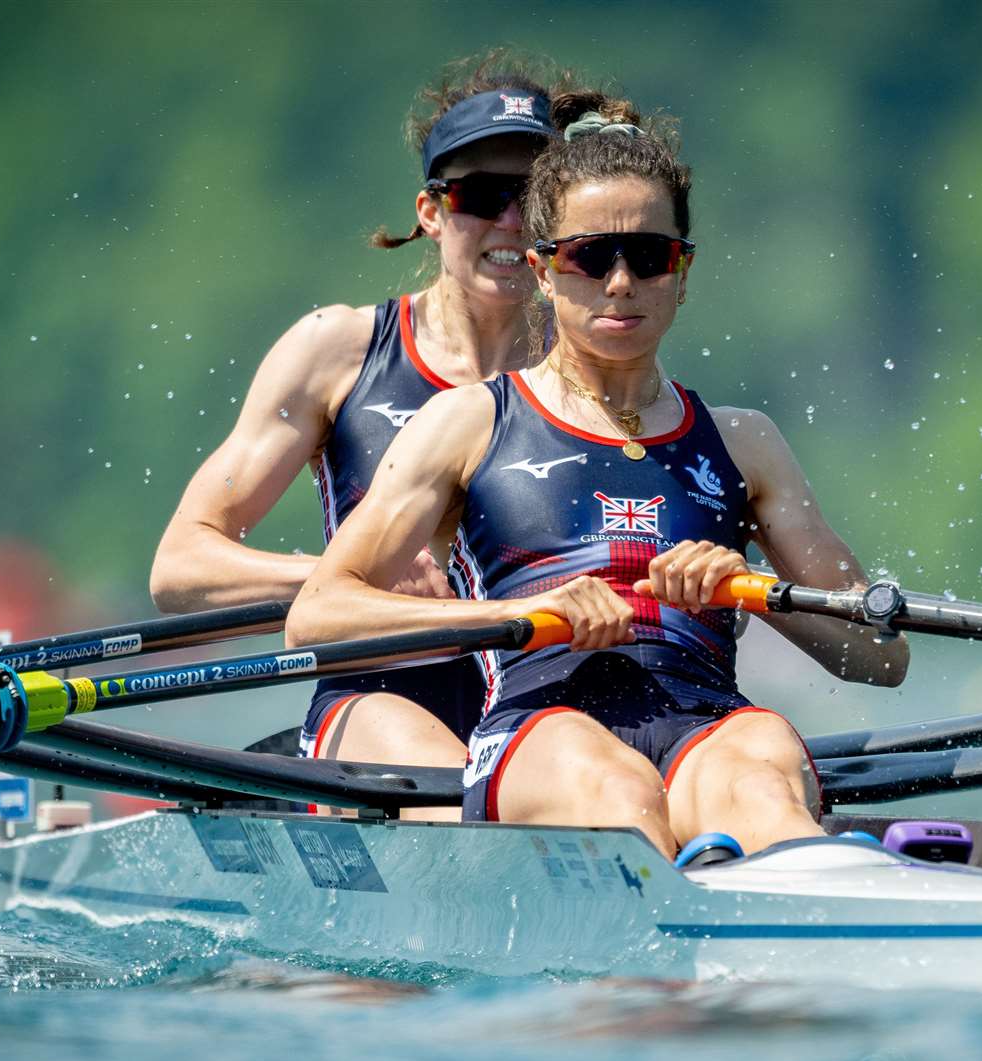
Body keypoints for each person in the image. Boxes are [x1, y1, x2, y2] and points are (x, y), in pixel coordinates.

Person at [287, 98, 909, 857]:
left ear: (682, 273)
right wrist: (521, 612)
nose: (620, 283)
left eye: (648, 256)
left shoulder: (746, 443)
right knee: (616, 793)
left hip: (707, 719)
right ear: (546, 271)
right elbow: (318, 617)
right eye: (589, 256)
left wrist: (742, 583)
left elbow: (879, 657)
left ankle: (782, 903)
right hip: (542, 726)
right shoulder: (467, 422)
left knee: (759, 784)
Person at [149, 52, 585, 814]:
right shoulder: (340, 349)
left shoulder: (592, 366)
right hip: (382, 700)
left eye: (533, 197)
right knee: (467, 809)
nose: (511, 221)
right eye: (482, 196)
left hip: (541, 704)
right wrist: (339, 578)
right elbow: (180, 569)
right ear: (430, 212)